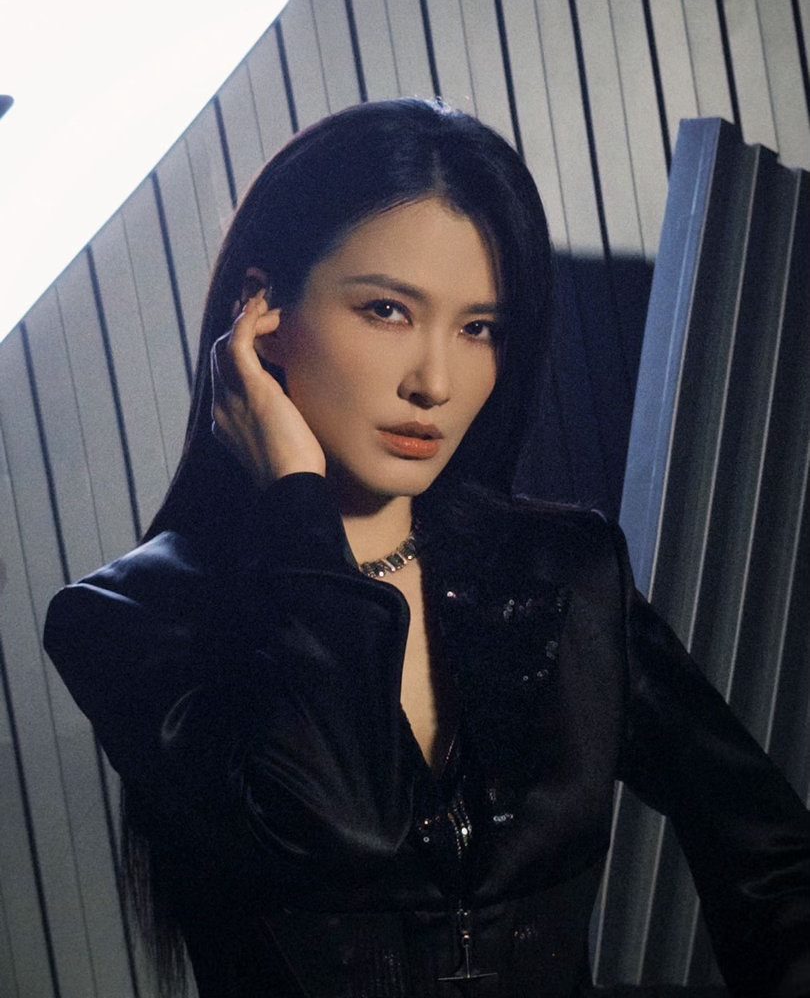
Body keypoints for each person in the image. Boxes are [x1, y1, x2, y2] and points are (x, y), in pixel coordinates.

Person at [44, 99, 810, 998]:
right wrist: (296, 499)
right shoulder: (132, 618)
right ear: (261, 315)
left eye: (479, 328)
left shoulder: (561, 576)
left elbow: (772, 860)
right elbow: (345, 823)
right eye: (387, 311)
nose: (435, 383)